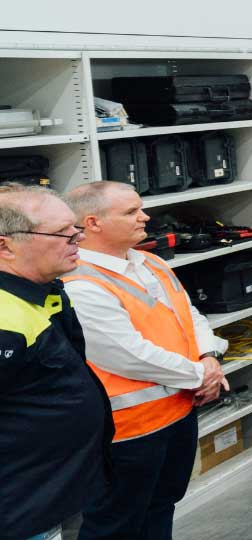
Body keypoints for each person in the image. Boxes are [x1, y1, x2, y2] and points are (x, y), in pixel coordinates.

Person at [61, 182, 229, 540]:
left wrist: (209, 355)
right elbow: (128, 355)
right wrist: (201, 373)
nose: (145, 217)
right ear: (93, 223)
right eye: (130, 212)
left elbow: (190, 314)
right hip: (128, 432)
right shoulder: (79, 282)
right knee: (115, 524)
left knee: (161, 506)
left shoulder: (149, 261)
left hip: (179, 411)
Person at [0, 186, 108, 540]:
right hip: (20, 511)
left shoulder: (44, 290)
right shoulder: (4, 320)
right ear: (5, 246)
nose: (79, 238)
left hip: (52, 493)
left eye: (75, 228)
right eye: (63, 233)